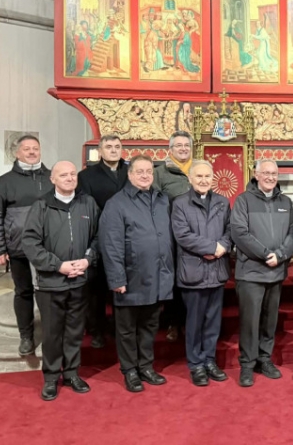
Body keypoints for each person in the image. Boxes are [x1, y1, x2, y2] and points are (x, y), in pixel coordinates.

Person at [21, 161, 100, 401]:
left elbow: (98, 237)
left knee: (75, 332)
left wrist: (87, 260)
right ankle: (51, 377)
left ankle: (72, 373)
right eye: (63, 175)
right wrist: (58, 265)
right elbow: (30, 243)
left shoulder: (88, 203)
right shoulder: (41, 206)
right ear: (53, 179)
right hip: (50, 282)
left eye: (73, 174)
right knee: (52, 333)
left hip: (79, 280)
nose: (69, 178)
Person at [100, 155, 175, 393]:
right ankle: (130, 370)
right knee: (126, 329)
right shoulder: (117, 204)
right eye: (139, 171)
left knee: (150, 326)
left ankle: (146, 366)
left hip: (157, 275)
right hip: (131, 277)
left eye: (148, 172)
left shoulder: (162, 200)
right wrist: (117, 278)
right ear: (130, 174)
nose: (145, 176)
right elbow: (110, 244)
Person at [230, 159, 293, 387]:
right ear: (256, 175)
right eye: (265, 173)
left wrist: (280, 255)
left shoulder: (286, 202)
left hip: (276, 272)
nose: (270, 177)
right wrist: (267, 254)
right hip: (251, 273)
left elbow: (292, 233)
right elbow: (239, 233)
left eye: (274, 173)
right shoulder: (243, 200)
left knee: (270, 321)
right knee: (250, 322)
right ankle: (247, 364)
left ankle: (264, 359)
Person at [0, 134, 50, 357]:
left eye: (35, 148)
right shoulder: (3, 183)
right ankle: (26, 336)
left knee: (48, 293)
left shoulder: (52, 178)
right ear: (16, 153)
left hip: (49, 249)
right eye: (27, 149)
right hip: (19, 247)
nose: (32, 152)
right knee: (23, 292)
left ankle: (50, 336)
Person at [170, 160, 232, 387]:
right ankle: (196, 364)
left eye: (207, 176)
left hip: (217, 271)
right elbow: (182, 235)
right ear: (190, 179)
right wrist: (212, 248)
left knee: (213, 322)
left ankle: (209, 360)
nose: (204, 180)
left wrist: (223, 247)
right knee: (195, 323)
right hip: (193, 272)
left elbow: (230, 230)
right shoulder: (180, 203)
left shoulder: (223, 202)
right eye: (199, 176)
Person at [77, 134, 128, 349]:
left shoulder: (130, 171)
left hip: (127, 236)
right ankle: (97, 330)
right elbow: (86, 206)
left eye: (117, 146)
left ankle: (119, 328)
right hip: (99, 235)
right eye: (109, 146)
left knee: (122, 286)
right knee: (97, 289)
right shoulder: (86, 175)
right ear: (100, 151)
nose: (113, 150)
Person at [153, 130, 193, 342]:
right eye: (179, 145)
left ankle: (192, 322)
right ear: (170, 149)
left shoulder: (199, 168)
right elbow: (155, 206)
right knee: (175, 281)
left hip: (198, 236)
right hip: (171, 236)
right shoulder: (160, 173)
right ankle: (174, 322)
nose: (183, 149)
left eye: (186, 145)